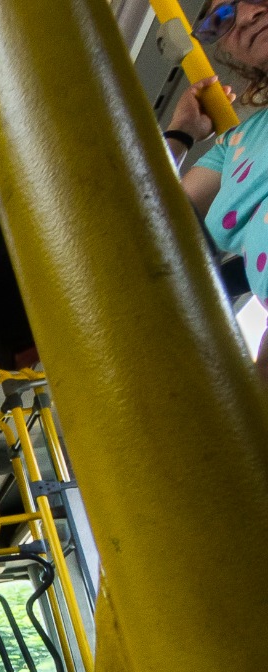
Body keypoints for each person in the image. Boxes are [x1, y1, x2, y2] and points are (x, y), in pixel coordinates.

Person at [172, 0, 268, 390]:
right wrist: (180, 134)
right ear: (228, 53)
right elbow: (154, 225)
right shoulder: (236, 144)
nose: (248, 15)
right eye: (222, 20)